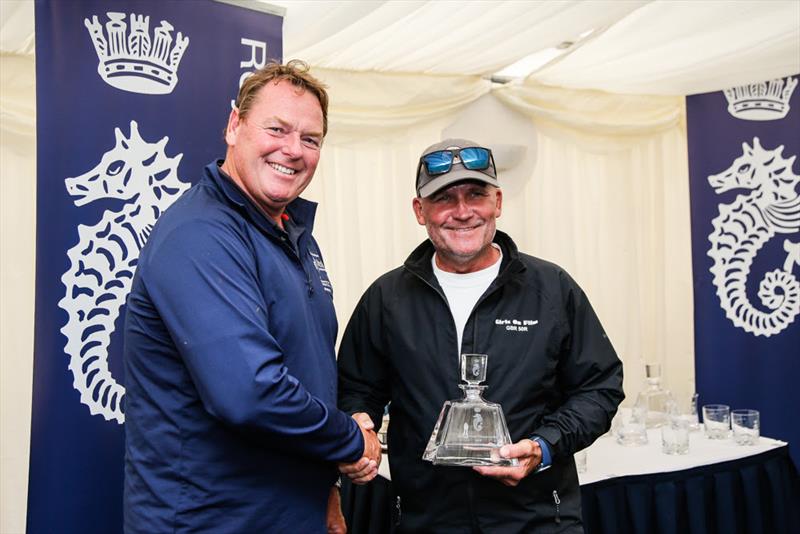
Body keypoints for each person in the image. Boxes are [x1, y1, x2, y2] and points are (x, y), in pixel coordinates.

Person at [123, 60, 380, 534]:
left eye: (310, 139)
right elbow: (249, 392)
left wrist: (326, 491)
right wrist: (350, 439)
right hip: (212, 521)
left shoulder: (291, 232)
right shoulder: (201, 234)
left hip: (288, 514)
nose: (293, 150)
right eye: (277, 129)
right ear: (234, 125)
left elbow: (306, 373)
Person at [338, 138, 624, 533]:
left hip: (537, 521)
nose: (462, 212)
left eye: (476, 194)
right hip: (427, 522)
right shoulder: (386, 299)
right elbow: (356, 389)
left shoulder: (552, 289)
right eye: (443, 198)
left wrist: (543, 447)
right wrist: (360, 425)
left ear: (498, 203)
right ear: (420, 211)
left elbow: (600, 387)